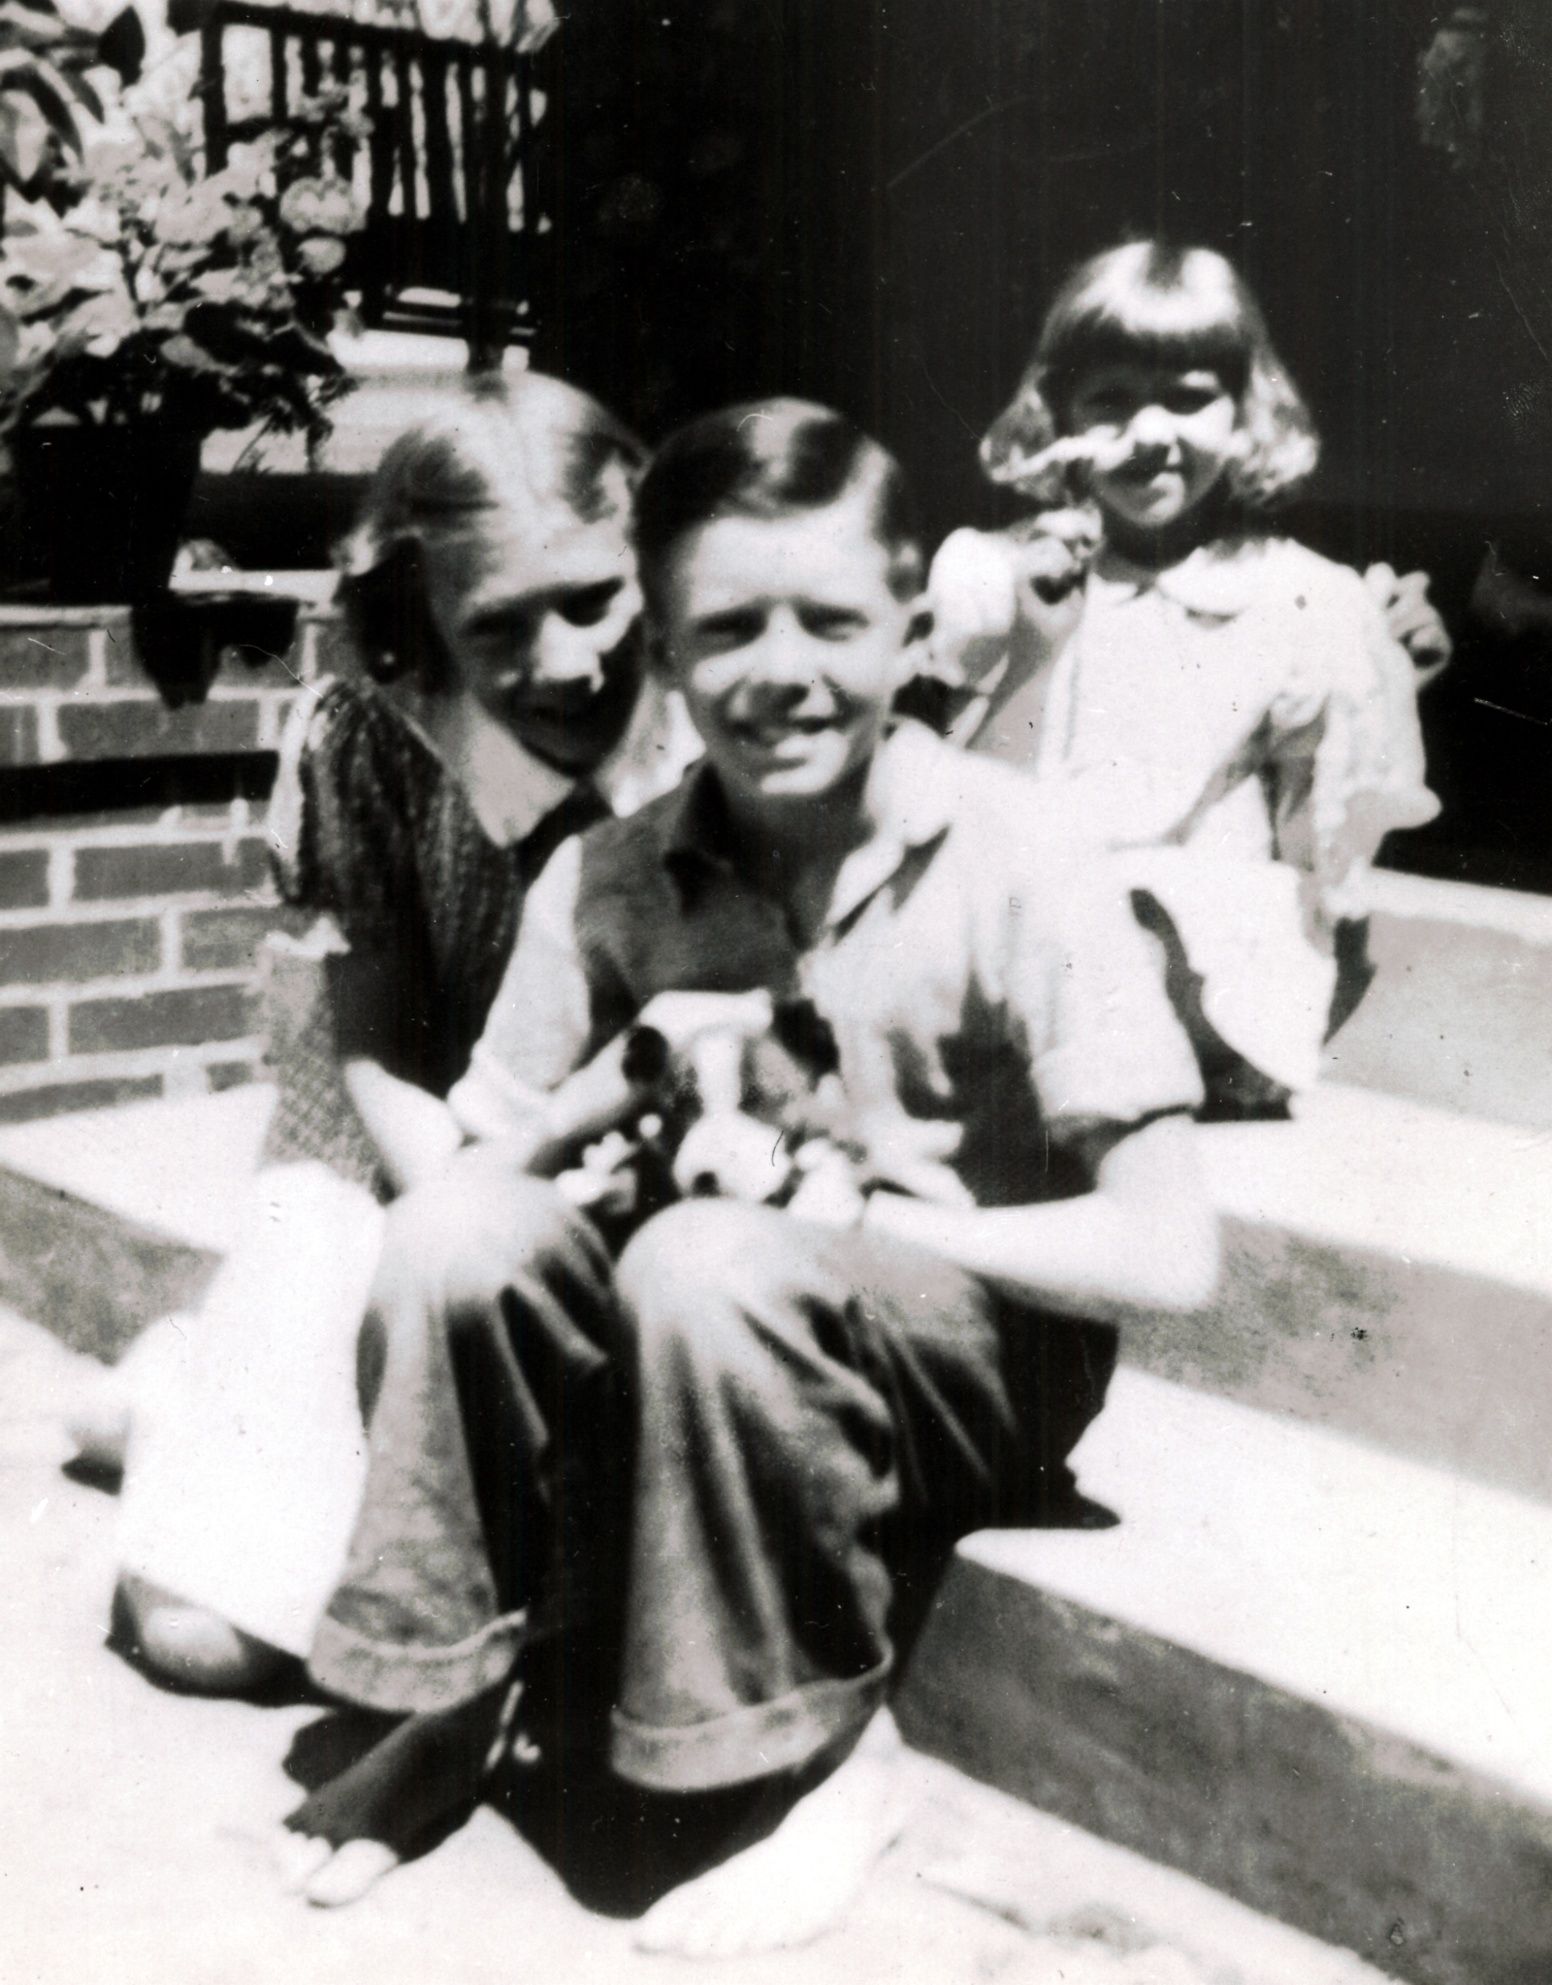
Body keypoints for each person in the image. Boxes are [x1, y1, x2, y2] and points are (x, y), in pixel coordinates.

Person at [273, 398, 1220, 1952]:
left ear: (912, 620)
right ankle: (441, 1697)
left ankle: (820, 1762)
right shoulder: (610, 875)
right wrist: (622, 1079)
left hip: (974, 1370)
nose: (783, 670)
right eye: (727, 627)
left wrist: (874, 1211)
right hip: (708, 1342)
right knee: (459, 1231)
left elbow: (1170, 1254)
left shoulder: (1021, 851)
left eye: (835, 620)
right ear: (670, 638)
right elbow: (475, 1177)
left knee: (703, 1257)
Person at [93, 373, 700, 1693]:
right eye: (498, 624)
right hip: (400, 1155)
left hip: (615, 1180)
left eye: (595, 598)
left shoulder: (713, 726)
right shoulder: (369, 734)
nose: (567, 662)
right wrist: (463, 1212)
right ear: (420, 620)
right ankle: (174, 1395)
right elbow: (367, 1046)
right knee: (204, 1639)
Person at [927, 241, 1442, 1111]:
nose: (1150, 435)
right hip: (1026, 926)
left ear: (1246, 412)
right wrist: (1036, 649)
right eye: (1111, 402)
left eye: (1189, 399)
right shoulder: (1002, 575)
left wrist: (1380, 687)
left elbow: (1309, 846)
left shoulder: (1300, 595)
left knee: (1131, 927)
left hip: (1202, 948)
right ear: (1058, 416)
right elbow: (967, 806)